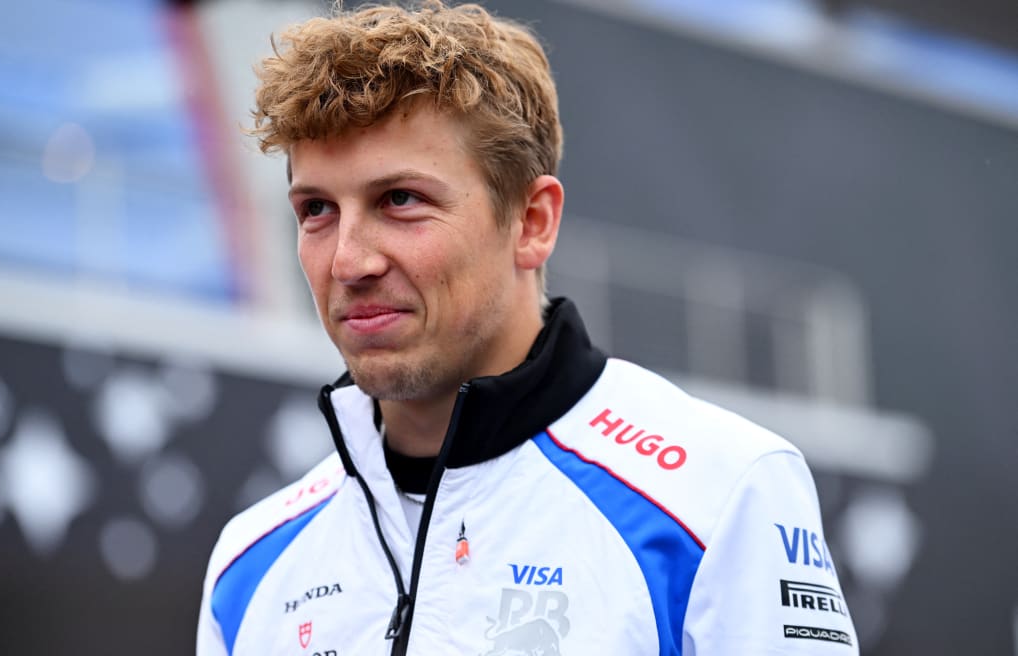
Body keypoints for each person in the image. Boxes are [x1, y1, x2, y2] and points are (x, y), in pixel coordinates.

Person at [197, 2, 858, 654]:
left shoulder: (721, 495)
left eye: (400, 200)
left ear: (533, 222)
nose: (349, 261)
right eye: (316, 209)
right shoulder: (248, 567)